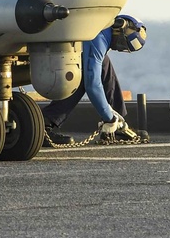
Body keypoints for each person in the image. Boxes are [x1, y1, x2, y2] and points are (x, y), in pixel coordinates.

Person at [42, 14, 147, 145]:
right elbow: (92, 85)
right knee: (84, 75)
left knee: (103, 63)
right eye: (121, 44)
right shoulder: (97, 38)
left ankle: (118, 126)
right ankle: (45, 124)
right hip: (48, 54)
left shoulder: (102, 28)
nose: (118, 47)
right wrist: (109, 117)